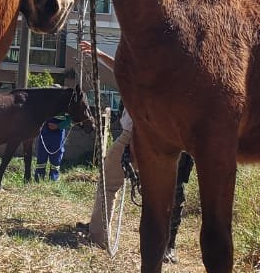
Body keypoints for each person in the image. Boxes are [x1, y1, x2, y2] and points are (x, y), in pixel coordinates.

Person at [79, 41, 193, 259]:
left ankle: (98, 235)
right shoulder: (170, 73)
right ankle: (165, 246)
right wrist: (100, 54)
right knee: (165, 194)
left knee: (109, 182)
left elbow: (141, 103)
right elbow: (122, 70)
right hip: (167, 141)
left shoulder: (149, 75)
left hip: (137, 137)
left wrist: (134, 143)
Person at [33, 114, 71, 181]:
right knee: (41, 155)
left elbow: (69, 120)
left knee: (56, 157)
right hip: (45, 131)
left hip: (58, 134)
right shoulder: (46, 103)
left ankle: (53, 178)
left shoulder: (66, 104)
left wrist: (59, 126)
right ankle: (39, 178)